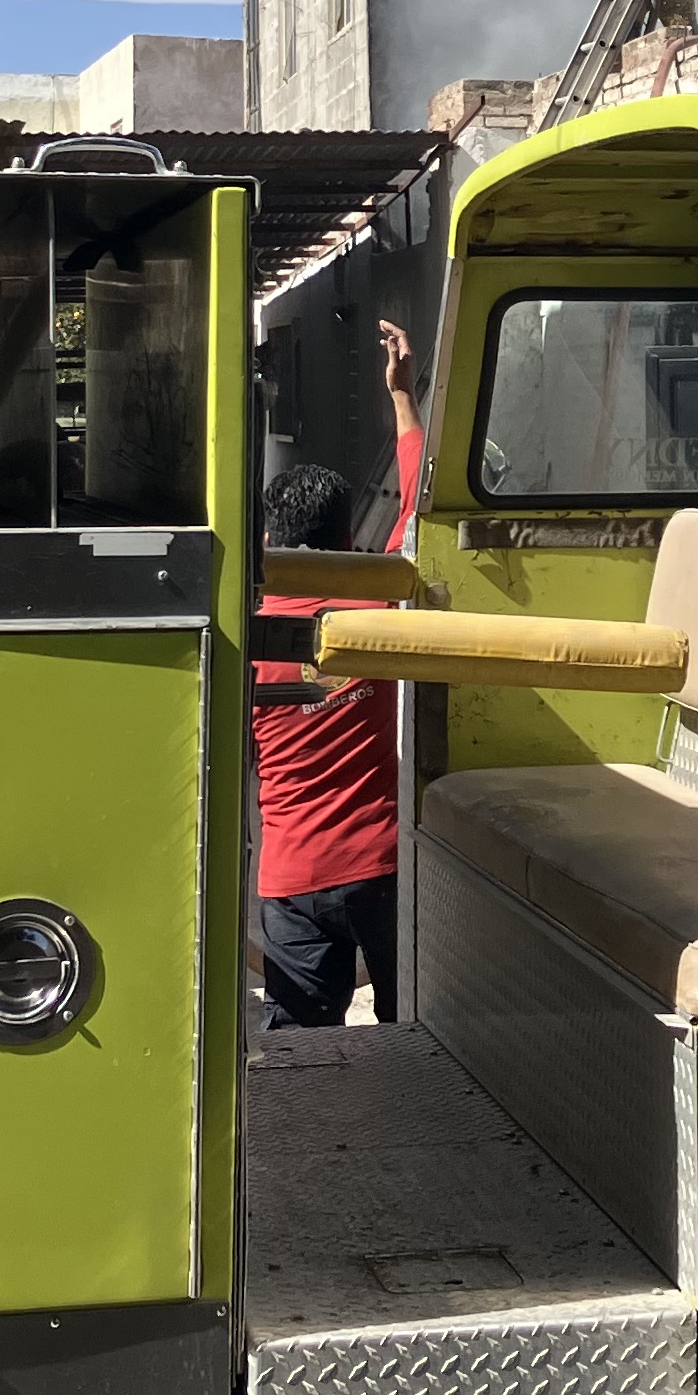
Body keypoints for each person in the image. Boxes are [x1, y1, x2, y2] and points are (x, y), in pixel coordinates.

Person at [250, 319, 426, 1026]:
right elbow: (420, 510)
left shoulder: (250, 629)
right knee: (409, 1031)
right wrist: (401, 396)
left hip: (289, 877)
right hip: (381, 869)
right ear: (349, 540)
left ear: (270, 539)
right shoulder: (374, 605)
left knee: (297, 1051)